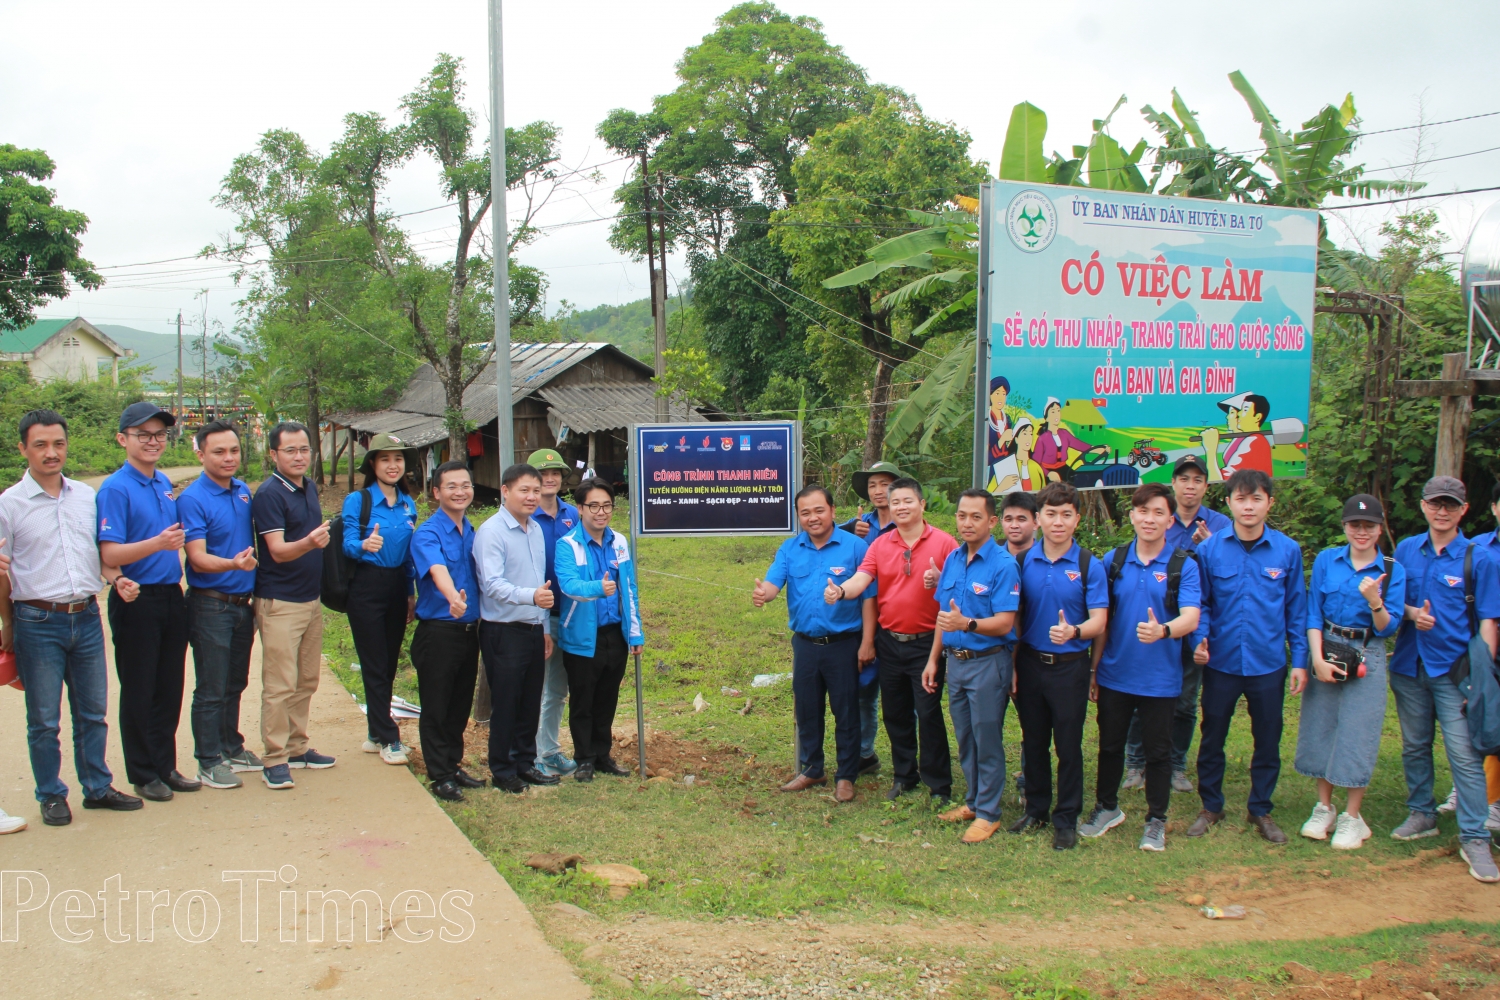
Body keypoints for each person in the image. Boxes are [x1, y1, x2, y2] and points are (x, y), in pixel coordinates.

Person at [0, 409, 142, 827]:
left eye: (58, 443)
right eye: (40, 444)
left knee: (92, 711)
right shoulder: (9, 504)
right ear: (23, 448)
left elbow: (96, 555)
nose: (51, 452)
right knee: (44, 719)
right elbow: (3, 573)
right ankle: (51, 794)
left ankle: (97, 787)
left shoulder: (85, 495)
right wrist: (8, 624)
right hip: (36, 621)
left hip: (86, 615)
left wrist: (115, 579)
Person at [1387, 476, 1500, 883]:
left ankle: (1474, 835)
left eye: (1451, 505)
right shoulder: (1405, 551)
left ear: (1463, 510)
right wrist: (1412, 613)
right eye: (1436, 503)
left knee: (1465, 756)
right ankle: (1422, 813)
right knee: (1415, 746)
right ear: (1422, 506)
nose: (1442, 511)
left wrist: (1483, 681)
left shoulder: (1479, 558)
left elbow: (1489, 622)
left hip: (1456, 674)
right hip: (1409, 666)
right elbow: (1389, 602)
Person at [1079, 483, 1202, 852]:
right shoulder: (1112, 562)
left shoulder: (1184, 565)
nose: (1150, 519)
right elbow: (1102, 619)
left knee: (1159, 752)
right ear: (1132, 515)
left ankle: (1156, 821)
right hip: (1116, 673)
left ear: (1169, 519)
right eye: (1143, 511)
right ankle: (1106, 808)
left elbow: (1192, 618)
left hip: (1161, 678)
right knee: (1110, 746)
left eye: (1158, 513)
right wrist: (1095, 670)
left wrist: (1163, 630)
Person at [1188, 468, 1307, 844]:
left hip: (1267, 662)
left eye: (1257, 498)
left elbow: (1296, 610)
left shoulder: (1287, 551)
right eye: (1241, 498)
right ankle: (1211, 805)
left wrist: (1300, 660)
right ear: (1228, 503)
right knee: (1212, 735)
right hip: (1221, 661)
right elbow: (1201, 602)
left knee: (1268, 737)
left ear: (1270, 503)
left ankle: (1261, 808)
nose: (1249, 506)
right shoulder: (1209, 549)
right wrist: (1199, 639)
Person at [830, 477, 958, 803]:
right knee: (895, 711)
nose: (901, 507)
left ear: (922, 504)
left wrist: (940, 580)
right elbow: (863, 578)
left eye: (907, 501)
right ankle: (905, 775)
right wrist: (842, 590)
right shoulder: (881, 544)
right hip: (890, 640)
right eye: (896, 502)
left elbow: (960, 586)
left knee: (928, 713)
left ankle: (939, 784)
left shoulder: (945, 544)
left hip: (927, 642)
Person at [96, 401, 197, 802]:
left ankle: (165, 765)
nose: (153, 442)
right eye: (143, 435)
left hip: (171, 595)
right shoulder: (115, 488)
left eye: (159, 435)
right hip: (136, 598)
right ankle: (142, 772)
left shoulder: (161, 482)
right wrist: (158, 543)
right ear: (123, 439)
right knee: (140, 687)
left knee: (170, 686)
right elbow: (109, 554)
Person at [1295, 494, 1405, 850]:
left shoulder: (1392, 569)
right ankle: (1324, 807)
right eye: (1355, 525)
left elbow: (1388, 628)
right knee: (1321, 725)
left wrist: (1375, 600)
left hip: (1366, 652)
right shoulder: (1328, 560)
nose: (1362, 532)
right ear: (1345, 527)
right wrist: (1316, 659)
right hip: (1327, 645)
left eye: (1369, 525)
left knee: (1359, 731)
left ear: (1379, 528)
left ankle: (1352, 817)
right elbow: (1312, 613)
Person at [756, 486, 875, 803]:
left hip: (844, 643)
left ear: (833, 511)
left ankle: (846, 776)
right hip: (806, 644)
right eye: (805, 512)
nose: (813, 517)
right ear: (799, 516)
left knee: (846, 712)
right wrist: (763, 594)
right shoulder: (790, 548)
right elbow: (772, 584)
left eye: (819, 510)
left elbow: (869, 599)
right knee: (807, 709)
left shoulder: (855, 547)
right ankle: (813, 768)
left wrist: (867, 643)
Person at [1121, 455, 1230, 793]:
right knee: (1140, 695)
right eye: (1184, 479)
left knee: (1184, 699)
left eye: (1198, 480)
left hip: (1195, 621)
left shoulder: (1220, 526)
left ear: (1206, 486)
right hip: (1152, 622)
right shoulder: (1161, 518)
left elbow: (1221, 576)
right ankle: (1135, 764)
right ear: (1175, 484)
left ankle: (1176, 764)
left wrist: (1208, 544)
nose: (1190, 486)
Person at [1011, 481, 1109, 850]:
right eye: (1050, 514)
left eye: (1066, 514)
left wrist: (1074, 631)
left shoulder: (1089, 565)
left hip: (1070, 667)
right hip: (1031, 663)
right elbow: (1015, 619)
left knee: (1068, 746)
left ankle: (1065, 818)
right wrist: (1015, 665)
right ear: (1039, 518)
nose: (1057, 522)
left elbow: (1100, 620)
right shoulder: (1022, 562)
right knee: (1033, 742)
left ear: (1076, 519)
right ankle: (1036, 810)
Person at [929, 488, 1020, 843]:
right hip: (957, 664)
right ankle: (973, 800)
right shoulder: (953, 559)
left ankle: (989, 813)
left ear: (992, 521)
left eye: (976, 517)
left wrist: (966, 624)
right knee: (965, 738)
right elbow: (943, 617)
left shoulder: (1002, 564)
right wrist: (934, 659)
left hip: (987, 663)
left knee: (987, 738)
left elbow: (1004, 623)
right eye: (962, 516)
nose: (967, 523)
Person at [176, 420, 260, 790]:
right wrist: (233, 565)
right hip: (210, 605)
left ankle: (231, 745)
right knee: (211, 686)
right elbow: (197, 558)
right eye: (219, 452)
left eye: (234, 450)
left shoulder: (242, 491)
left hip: (243, 606)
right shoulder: (192, 499)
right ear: (200, 454)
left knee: (235, 681)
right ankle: (208, 760)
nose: (229, 458)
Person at [252, 421, 336, 791]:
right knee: (280, 683)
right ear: (274, 454)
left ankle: (297, 745)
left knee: (306, 679)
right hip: (280, 601)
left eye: (304, 449)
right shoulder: (269, 494)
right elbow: (277, 550)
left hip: (309, 599)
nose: (299, 456)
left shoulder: (309, 486)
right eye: (291, 450)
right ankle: (274, 757)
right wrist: (311, 542)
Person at [474, 462, 560, 794]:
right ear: (505, 491)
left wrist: (543, 629)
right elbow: (492, 585)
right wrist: (532, 598)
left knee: (529, 702)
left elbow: (540, 580)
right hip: (502, 631)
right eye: (524, 490)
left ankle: (526, 763)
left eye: (536, 491)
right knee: (506, 703)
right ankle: (502, 769)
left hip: (532, 629)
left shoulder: (535, 530)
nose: (531, 497)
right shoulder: (491, 532)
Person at [409, 460, 487, 802]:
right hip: (439, 632)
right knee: (437, 706)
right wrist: (453, 598)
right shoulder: (427, 532)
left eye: (465, 485)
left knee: (458, 706)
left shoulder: (471, 530)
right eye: (451, 486)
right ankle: (439, 775)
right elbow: (439, 570)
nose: (460, 492)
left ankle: (452, 765)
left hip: (470, 632)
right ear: (436, 492)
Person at [557, 478, 644, 783]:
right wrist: (599, 588)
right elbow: (569, 586)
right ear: (580, 509)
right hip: (583, 637)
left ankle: (602, 754)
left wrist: (635, 634)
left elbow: (629, 589)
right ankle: (584, 759)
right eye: (593, 506)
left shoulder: (619, 542)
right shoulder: (567, 545)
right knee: (583, 700)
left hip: (614, 635)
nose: (601, 512)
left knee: (607, 699)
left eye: (607, 505)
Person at [341, 433, 418, 766]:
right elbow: (346, 543)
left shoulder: (407, 503)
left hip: (398, 586)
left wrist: (411, 593)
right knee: (374, 662)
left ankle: (375, 733)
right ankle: (390, 738)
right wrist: (363, 546)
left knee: (387, 664)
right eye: (385, 459)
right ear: (372, 464)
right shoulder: (359, 501)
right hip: (367, 588)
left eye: (398, 459)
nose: (393, 465)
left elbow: (410, 554)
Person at [839, 460, 903, 779]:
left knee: (903, 694)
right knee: (864, 688)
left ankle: (910, 760)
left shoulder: (907, 525)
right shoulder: (859, 524)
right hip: (863, 617)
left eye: (886, 484)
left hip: (898, 618)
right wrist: (851, 531)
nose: (880, 491)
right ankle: (865, 752)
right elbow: (824, 540)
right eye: (873, 485)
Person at [527, 448, 582, 778]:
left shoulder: (571, 515)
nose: (550, 478)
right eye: (542, 474)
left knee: (558, 689)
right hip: (536, 614)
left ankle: (549, 750)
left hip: (570, 611)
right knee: (536, 686)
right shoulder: (526, 515)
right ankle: (533, 753)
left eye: (556, 473)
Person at [999, 491, 1039, 806]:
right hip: (994, 654)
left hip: (1032, 654)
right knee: (989, 722)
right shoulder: (991, 556)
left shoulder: (1044, 559)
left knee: (1032, 724)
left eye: (1022, 519)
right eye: (1009, 518)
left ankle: (1029, 782)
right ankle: (988, 788)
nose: (1015, 525)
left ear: (1035, 522)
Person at [1471, 483, 1500, 834]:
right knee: (1484, 718)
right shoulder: (1477, 549)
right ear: (1493, 507)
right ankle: (1477, 794)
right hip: (1486, 644)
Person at [1201, 391, 1274, 482]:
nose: (1238, 415)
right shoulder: (1243, 439)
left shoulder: (1255, 441)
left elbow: (1219, 480)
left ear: (1257, 417)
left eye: (1244, 410)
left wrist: (1210, 450)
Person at [1032, 399, 1107, 483]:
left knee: (1078, 481)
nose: (1056, 414)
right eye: (1053, 412)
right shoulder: (1042, 438)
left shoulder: (1064, 433)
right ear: (1047, 417)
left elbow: (1079, 445)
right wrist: (1048, 473)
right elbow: (1036, 463)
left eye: (1058, 411)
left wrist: (1097, 449)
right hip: (1049, 473)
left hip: (1064, 469)